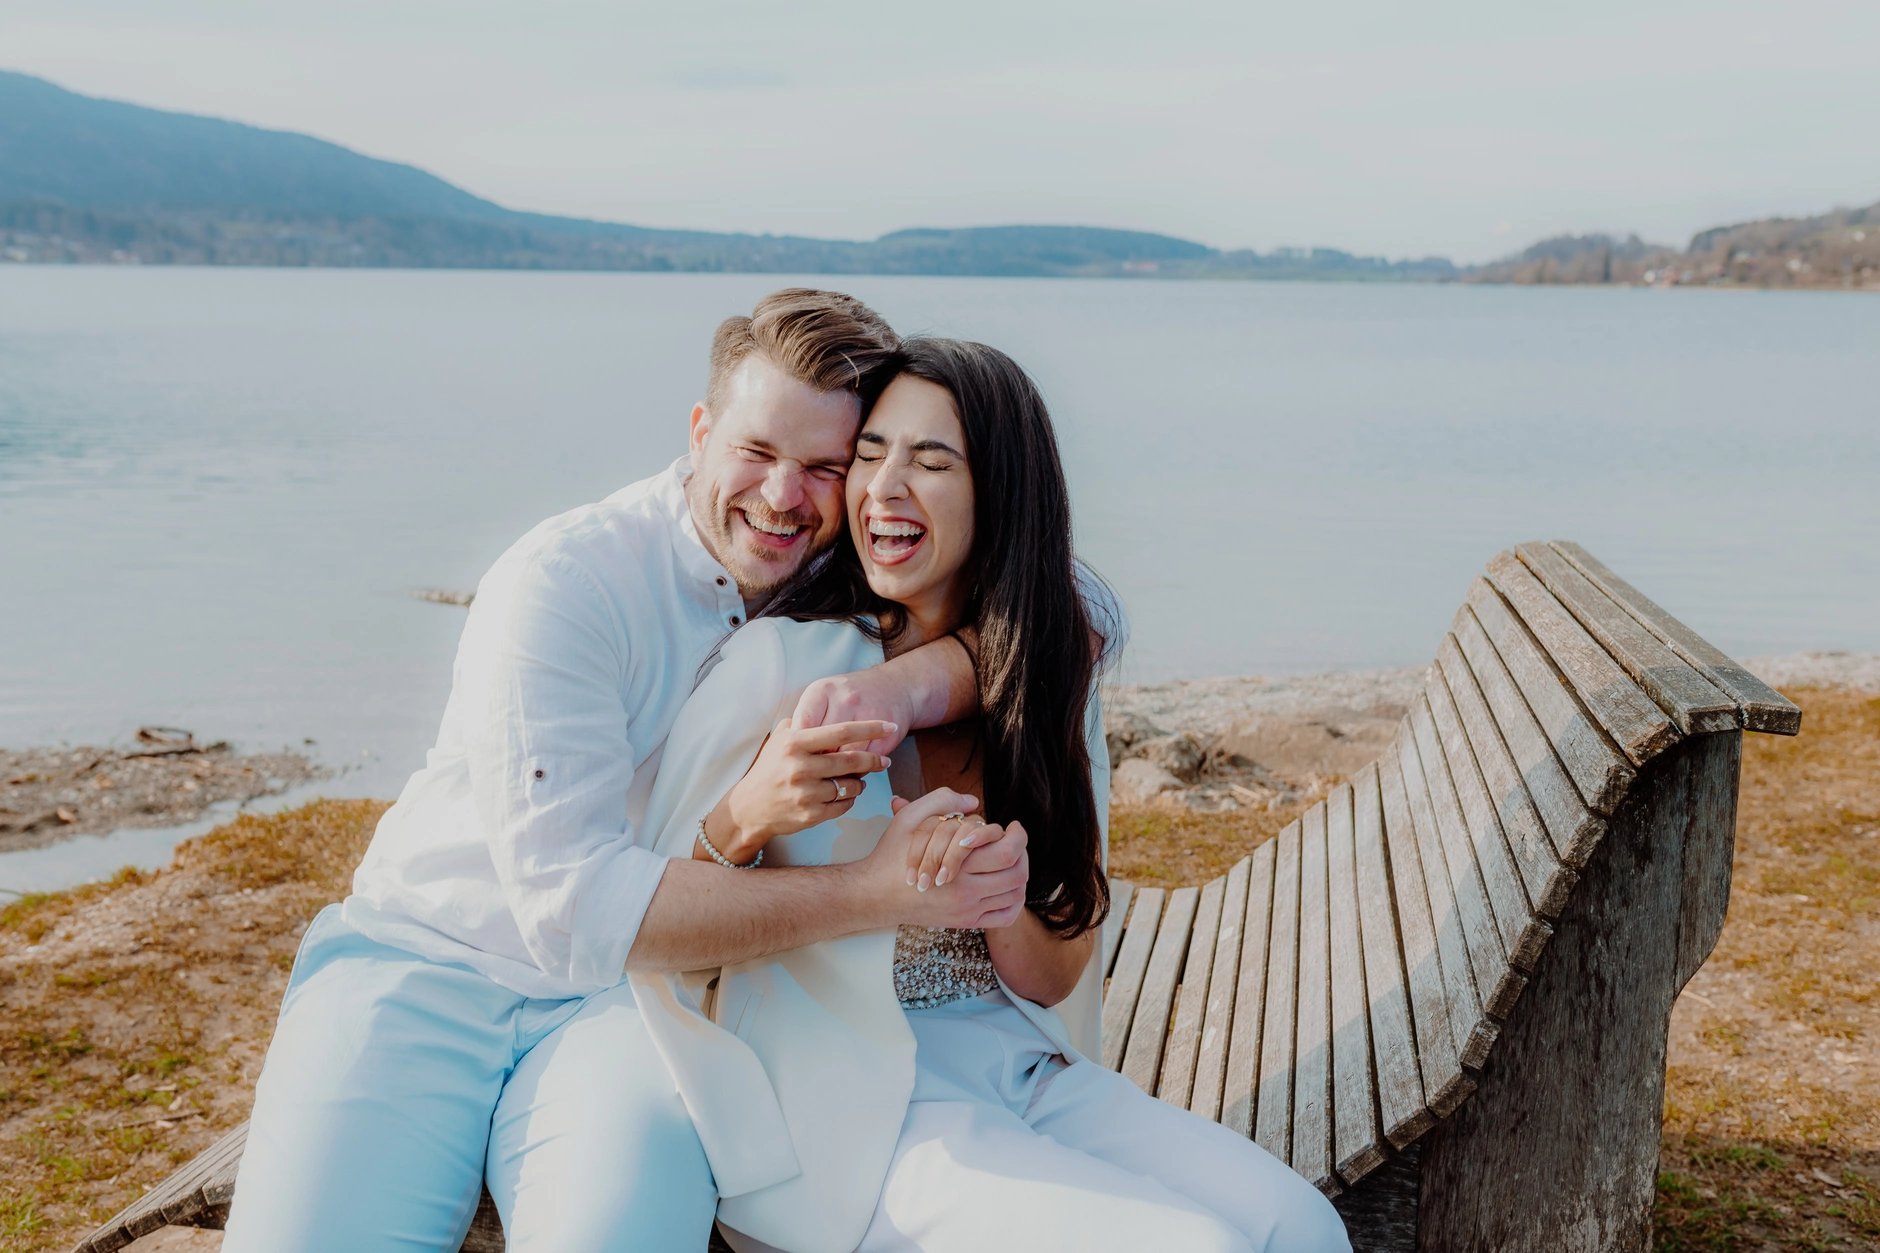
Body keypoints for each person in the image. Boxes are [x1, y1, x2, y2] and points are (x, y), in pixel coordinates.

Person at [222, 291, 1034, 1253]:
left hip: (632, 1007)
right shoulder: (569, 581)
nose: (783, 497)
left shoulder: (840, 564)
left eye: (823, 466)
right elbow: (576, 910)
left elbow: (1067, 605)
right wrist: (867, 892)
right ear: (700, 430)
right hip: (425, 963)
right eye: (757, 452)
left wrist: (903, 688)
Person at [633, 339, 1351, 1253]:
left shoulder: (1039, 682)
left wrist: (998, 891)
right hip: (851, 1109)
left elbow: (1055, 973)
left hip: (1023, 1066)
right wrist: (750, 814)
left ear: (1000, 495)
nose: (883, 487)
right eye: (870, 453)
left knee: (1302, 1227)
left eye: (931, 462)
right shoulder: (779, 667)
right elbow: (652, 922)